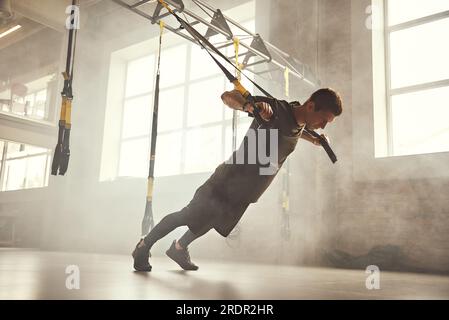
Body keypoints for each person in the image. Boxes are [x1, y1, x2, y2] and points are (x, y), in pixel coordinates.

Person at [132, 88, 343, 271]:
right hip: (228, 181)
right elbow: (228, 96)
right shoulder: (276, 108)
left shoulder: (299, 122)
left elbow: (293, 129)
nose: (323, 126)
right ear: (311, 105)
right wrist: (250, 107)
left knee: (211, 221)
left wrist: (314, 139)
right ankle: (144, 246)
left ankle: (178, 248)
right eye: (323, 120)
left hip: (247, 189)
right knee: (187, 216)